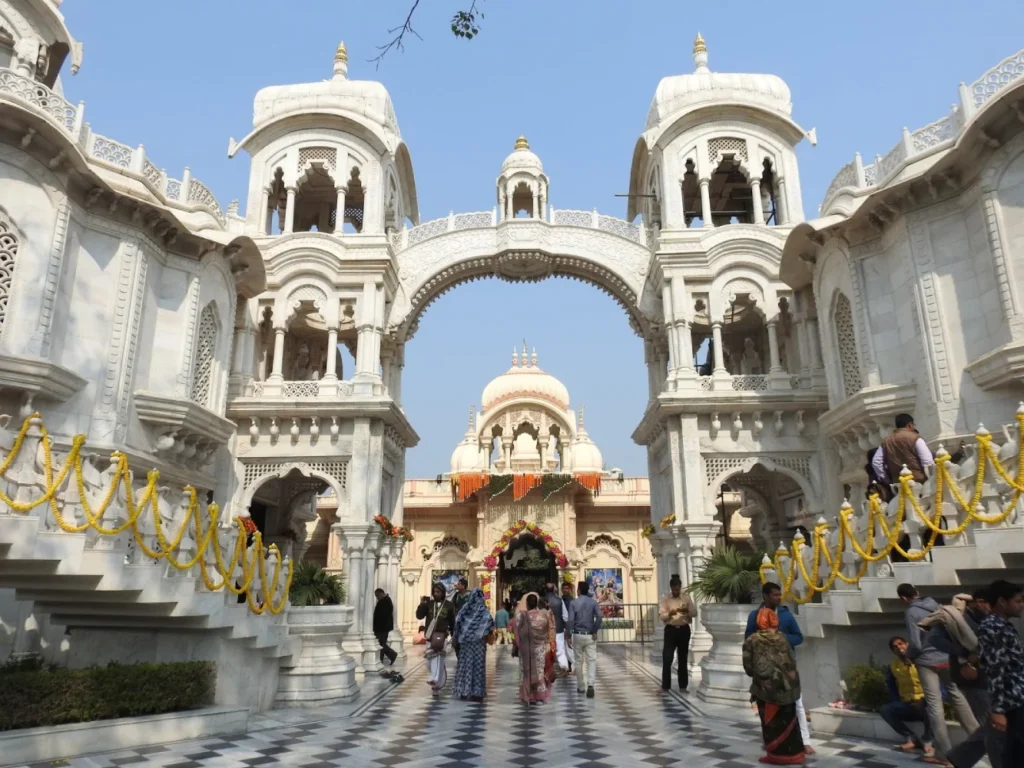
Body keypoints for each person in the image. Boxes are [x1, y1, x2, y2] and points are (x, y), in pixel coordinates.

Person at [897, 583, 978, 764]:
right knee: (958, 697)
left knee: (934, 706)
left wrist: (909, 656)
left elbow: (916, 644)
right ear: (917, 592)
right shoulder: (935, 604)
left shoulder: (911, 612)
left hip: (927, 662)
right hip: (947, 657)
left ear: (903, 598)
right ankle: (981, 740)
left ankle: (946, 754)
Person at [928, 588, 999, 768]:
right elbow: (934, 639)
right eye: (986, 602)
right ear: (977, 602)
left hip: (995, 678)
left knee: (996, 725)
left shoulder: (992, 619)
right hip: (974, 679)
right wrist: (964, 652)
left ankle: (959, 758)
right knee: (993, 727)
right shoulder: (956, 618)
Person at [745, 582, 814, 756]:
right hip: (765, 673)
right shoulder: (755, 616)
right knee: (767, 708)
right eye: (775, 594)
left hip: (786, 669)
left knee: (796, 704)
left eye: (779, 594)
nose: (778, 597)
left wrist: (780, 639)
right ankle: (772, 743)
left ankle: (804, 741)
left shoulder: (785, 614)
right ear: (765, 596)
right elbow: (748, 639)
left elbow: (798, 637)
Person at [743, 607, 805, 765]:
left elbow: (748, 666)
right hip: (789, 687)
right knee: (789, 720)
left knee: (771, 722)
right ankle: (796, 754)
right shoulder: (783, 637)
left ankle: (777, 756)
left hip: (767, 689)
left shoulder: (753, 640)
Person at [977, 579, 1024, 767]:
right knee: (1015, 755)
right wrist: (998, 709)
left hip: (1018, 697)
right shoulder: (992, 627)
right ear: (1002, 601)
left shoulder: (1003, 626)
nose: (1021, 605)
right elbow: (995, 670)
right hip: (1012, 701)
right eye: (1018, 601)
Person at [880, 636, 935, 758]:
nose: (899, 648)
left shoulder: (922, 660)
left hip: (925, 702)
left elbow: (938, 683)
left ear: (907, 644)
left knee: (932, 708)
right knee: (886, 709)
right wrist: (898, 701)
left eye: (900, 644)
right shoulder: (893, 666)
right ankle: (911, 737)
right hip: (907, 704)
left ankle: (927, 741)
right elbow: (891, 685)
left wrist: (924, 700)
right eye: (895, 647)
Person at [451, 588, 494, 702]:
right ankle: (477, 693)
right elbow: (490, 623)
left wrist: (455, 638)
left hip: (465, 644)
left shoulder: (465, 608)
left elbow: (457, 622)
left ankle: (463, 691)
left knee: (465, 666)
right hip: (479, 645)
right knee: (478, 667)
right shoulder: (484, 611)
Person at [512, 592, 553, 705]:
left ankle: (528, 695)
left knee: (526, 671)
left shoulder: (521, 616)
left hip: (525, 650)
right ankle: (539, 696)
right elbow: (549, 630)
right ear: (537, 603)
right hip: (540, 648)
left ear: (526, 604)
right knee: (539, 671)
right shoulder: (544, 615)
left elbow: (516, 631)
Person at [415, 582, 454, 695]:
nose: (436, 594)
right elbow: (419, 616)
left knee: (438, 657)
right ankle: (439, 679)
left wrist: (453, 634)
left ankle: (435, 681)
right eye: (434, 592)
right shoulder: (429, 604)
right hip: (430, 636)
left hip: (442, 636)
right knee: (428, 660)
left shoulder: (448, 605)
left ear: (443, 592)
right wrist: (422, 604)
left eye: (438, 592)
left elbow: (452, 621)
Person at [659, 574, 696, 692]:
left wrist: (687, 611)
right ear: (671, 588)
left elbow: (695, 613)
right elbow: (661, 615)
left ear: (680, 587)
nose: (676, 591)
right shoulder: (666, 599)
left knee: (682, 658)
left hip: (684, 630)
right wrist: (669, 614)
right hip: (671, 630)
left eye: (677, 589)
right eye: (674, 589)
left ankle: (683, 686)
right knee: (667, 658)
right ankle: (665, 685)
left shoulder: (686, 598)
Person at [567, 580, 602, 698]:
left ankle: (581, 686)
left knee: (578, 661)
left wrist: (568, 634)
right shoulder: (593, 602)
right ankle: (591, 684)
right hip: (590, 634)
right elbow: (599, 616)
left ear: (579, 590)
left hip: (577, 634)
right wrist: (595, 629)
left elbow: (571, 620)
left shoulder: (573, 603)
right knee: (591, 660)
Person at [544, 582, 569, 673]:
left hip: (544, 630)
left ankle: (547, 669)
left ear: (545, 589)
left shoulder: (541, 600)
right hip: (558, 629)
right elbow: (566, 616)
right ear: (554, 589)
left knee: (545, 650)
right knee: (560, 650)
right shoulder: (559, 600)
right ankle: (564, 667)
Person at [373, 588, 398, 666]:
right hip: (382, 627)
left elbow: (382, 615)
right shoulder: (385, 600)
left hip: (382, 627)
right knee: (381, 643)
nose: (377, 597)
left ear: (381, 594)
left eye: (377, 595)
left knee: (381, 643)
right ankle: (381, 659)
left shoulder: (385, 601)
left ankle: (392, 654)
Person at [451, 577, 470, 658]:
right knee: (457, 642)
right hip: (458, 624)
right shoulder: (456, 596)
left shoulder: (471, 596)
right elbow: (452, 608)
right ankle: (459, 658)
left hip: (468, 623)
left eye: (458, 584)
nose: (456, 585)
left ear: (463, 586)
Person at [561, 581, 576, 672]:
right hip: (562, 626)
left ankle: (570, 665)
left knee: (570, 646)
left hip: (570, 625)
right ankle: (566, 665)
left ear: (569, 590)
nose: (565, 590)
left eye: (566, 588)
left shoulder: (572, 601)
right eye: (563, 588)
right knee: (563, 647)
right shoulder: (560, 600)